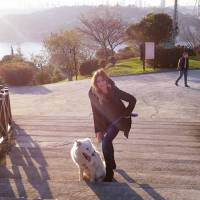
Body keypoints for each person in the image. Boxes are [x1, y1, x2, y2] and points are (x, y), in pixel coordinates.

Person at [88, 69, 137, 182]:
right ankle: (112, 164)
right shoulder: (92, 93)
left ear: (106, 80)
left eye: (103, 80)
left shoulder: (113, 90)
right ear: (95, 83)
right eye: (98, 81)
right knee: (107, 141)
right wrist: (98, 130)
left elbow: (132, 99)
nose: (101, 83)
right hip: (106, 121)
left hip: (118, 120)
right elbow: (95, 112)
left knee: (106, 141)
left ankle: (109, 172)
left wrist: (126, 113)